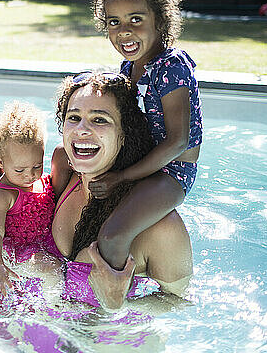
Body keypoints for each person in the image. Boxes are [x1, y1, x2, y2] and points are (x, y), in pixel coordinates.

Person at [74, 0, 202, 271]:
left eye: (135, 19)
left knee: (114, 237)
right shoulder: (128, 68)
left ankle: (106, 308)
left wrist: (121, 177)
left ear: (160, 19)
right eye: (113, 22)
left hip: (171, 173)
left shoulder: (171, 66)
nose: (124, 31)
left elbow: (177, 142)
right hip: (142, 162)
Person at [48, 72, 193, 309]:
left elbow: (180, 302)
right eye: (73, 117)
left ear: (124, 134)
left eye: (100, 120)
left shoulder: (161, 227)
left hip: (116, 341)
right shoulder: (65, 172)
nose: (81, 130)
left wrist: (118, 304)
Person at [0, 101, 55, 297]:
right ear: (0, 161)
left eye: (37, 165)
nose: (30, 175)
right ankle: (53, 307)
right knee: (51, 270)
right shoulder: (3, 194)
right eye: (19, 170)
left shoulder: (45, 181)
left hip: (40, 244)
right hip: (14, 252)